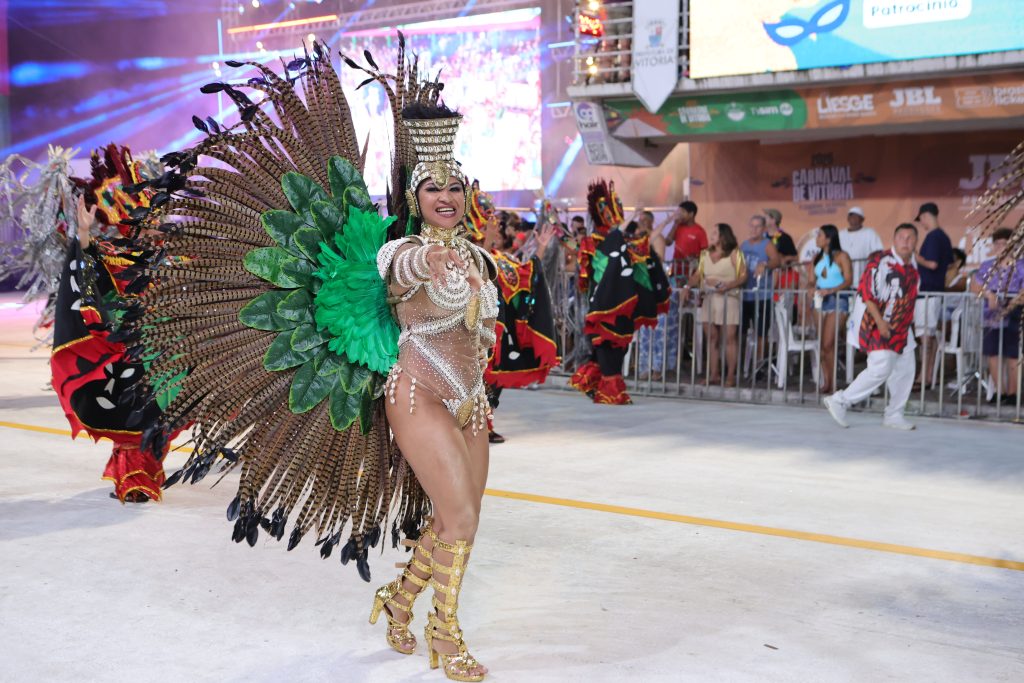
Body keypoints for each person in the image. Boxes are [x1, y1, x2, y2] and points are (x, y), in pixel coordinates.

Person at [133, 42, 493, 680]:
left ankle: (398, 599)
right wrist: (429, 259)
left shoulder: (477, 259)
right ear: (415, 196)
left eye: (454, 187)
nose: (445, 196)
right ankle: (446, 634)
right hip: (419, 397)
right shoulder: (401, 252)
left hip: (472, 401)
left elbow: (480, 330)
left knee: (455, 516)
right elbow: (407, 270)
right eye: (432, 187)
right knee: (460, 516)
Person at [569, 179, 670, 404]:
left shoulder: (625, 241)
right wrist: (633, 216)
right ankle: (609, 391)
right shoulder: (593, 242)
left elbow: (644, 244)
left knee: (619, 344)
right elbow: (612, 244)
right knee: (608, 345)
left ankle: (595, 384)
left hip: (624, 302)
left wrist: (665, 223)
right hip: (604, 303)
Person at [824, 223, 920, 430]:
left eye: (910, 237)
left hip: (902, 327)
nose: (905, 241)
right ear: (894, 240)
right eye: (901, 237)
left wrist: (907, 327)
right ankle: (840, 400)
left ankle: (894, 414)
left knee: (906, 368)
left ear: (916, 242)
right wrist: (881, 322)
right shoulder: (880, 262)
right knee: (881, 367)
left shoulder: (912, 268)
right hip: (875, 322)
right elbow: (867, 294)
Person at [682, 223, 747, 386]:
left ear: (723, 236)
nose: (711, 235)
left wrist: (729, 285)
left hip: (729, 299)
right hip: (709, 299)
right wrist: (687, 286)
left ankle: (730, 376)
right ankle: (714, 374)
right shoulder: (705, 254)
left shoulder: (735, 253)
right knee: (712, 337)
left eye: (715, 233)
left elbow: (743, 275)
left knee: (730, 338)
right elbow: (697, 275)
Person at [970, 228, 1023, 405]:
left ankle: (1013, 394)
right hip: (991, 314)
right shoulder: (987, 265)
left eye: (1005, 243)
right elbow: (975, 286)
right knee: (992, 353)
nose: (1001, 247)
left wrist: (1012, 301)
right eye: (997, 243)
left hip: (1015, 313)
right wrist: (988, 294)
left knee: (1013, 354)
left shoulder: (1020, 265)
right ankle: (999, 392)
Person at [913, 202, 953, 389]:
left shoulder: (934, 237)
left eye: (921, 219)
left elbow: (932, 264)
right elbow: (948, 264)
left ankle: (923, 377)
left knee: (925, 335)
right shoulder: (943, 237)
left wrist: (915, 255)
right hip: (934, 291)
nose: (922, 223)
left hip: (928, 292)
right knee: (929, 335)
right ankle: (928, 375)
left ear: (925, 216)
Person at [810, 225, 853, 394]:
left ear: (828, 239)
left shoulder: (842, 256)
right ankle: (827, 381)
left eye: (819, 235)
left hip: (837, 300)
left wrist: (831, 290)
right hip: (819, 300)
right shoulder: (816, 257)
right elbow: (812, 280)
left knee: (829, 343)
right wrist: (810, 287)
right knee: (822, 344)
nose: (817, 238)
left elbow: (848, 280)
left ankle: (833, 382)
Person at [741, 214, 780, 370]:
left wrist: (765, 264)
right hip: (745, 294)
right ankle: (741, 364)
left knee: (761, 332)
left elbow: (776, 261)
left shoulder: (767, 244)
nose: (754, 229)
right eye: (752, 226)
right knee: (741, 332)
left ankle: (759, 366)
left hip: (762, 295)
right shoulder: (744, 245)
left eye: (757, 226)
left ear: (763, 229)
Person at [652, 200, 707, 278]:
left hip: (692, 271)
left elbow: (705, 251)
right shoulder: (678, 226)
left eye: (683, 212)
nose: (680, 214)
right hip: (676, 268)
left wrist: (698, 263)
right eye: (679, 212)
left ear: (691, 214)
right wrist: (675, 224)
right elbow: (668, 242)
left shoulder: (699, 231)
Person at [839, 206, 884, 288]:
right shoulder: (840, 234)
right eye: (851, 216)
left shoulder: (870, 232)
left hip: (863, 270)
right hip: (844, 274)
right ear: (848, 218)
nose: (853, 218)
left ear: (862, 219)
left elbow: (879, 251)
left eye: (856, 216)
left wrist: (872, 256)